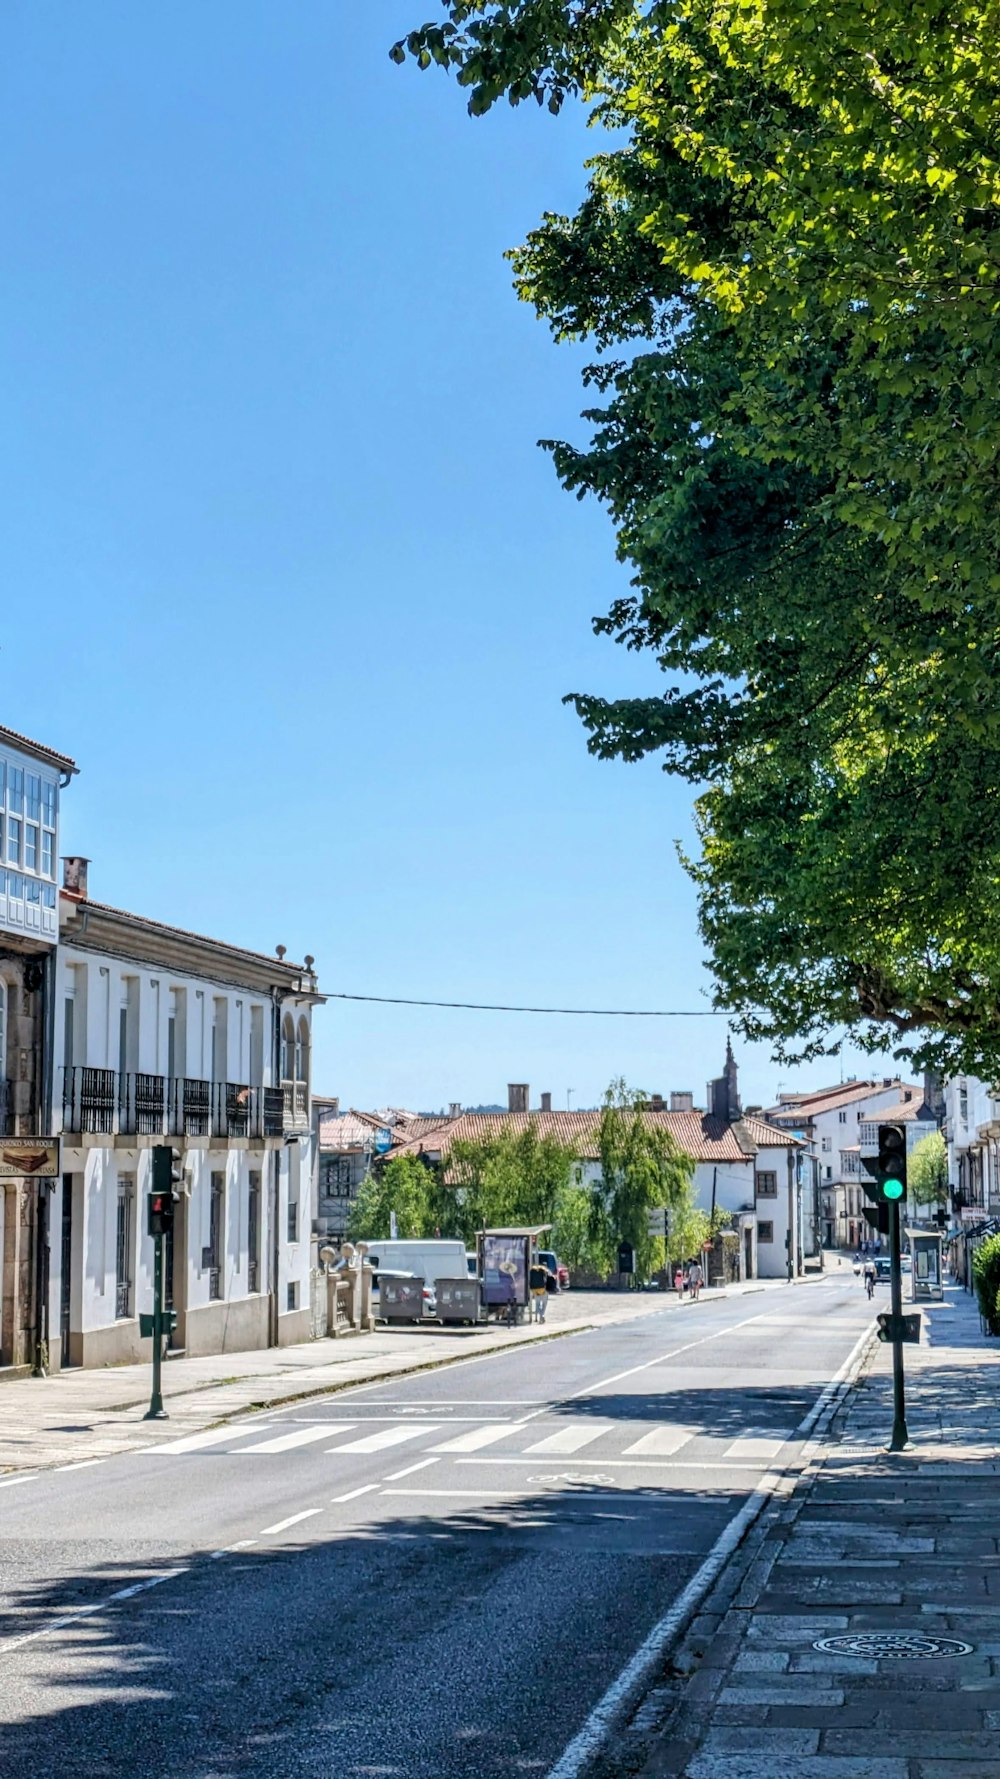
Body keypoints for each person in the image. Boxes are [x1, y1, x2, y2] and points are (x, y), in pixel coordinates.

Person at [529, 1254, 554, 1322]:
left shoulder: (532, 1269)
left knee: (537, 1304)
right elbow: (551, 1279)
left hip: (535, 1289)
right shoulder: (546, 1270)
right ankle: (542, 1315)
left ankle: (540, 1315)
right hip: (543, 1289)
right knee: (544, 1304)